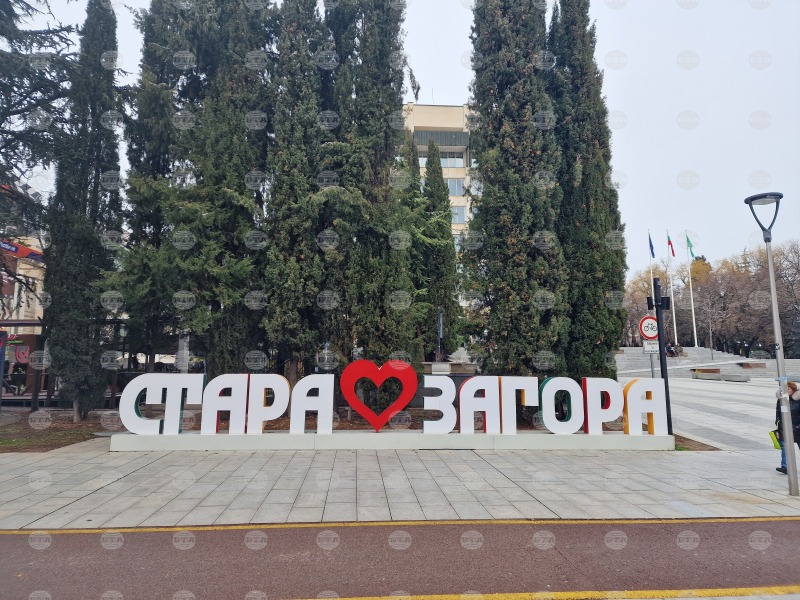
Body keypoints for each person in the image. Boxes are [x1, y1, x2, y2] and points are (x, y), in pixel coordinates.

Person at [775, 381, 800, 474]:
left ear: (793, 390)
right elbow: (778, 414)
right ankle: (785, 467)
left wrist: (797, 426)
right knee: (785, 447)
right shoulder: (781, 400)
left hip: (797, 428)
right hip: (784, 428)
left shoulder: (798, 400)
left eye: (788, 389)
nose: (786, 391)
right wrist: (778, 429)